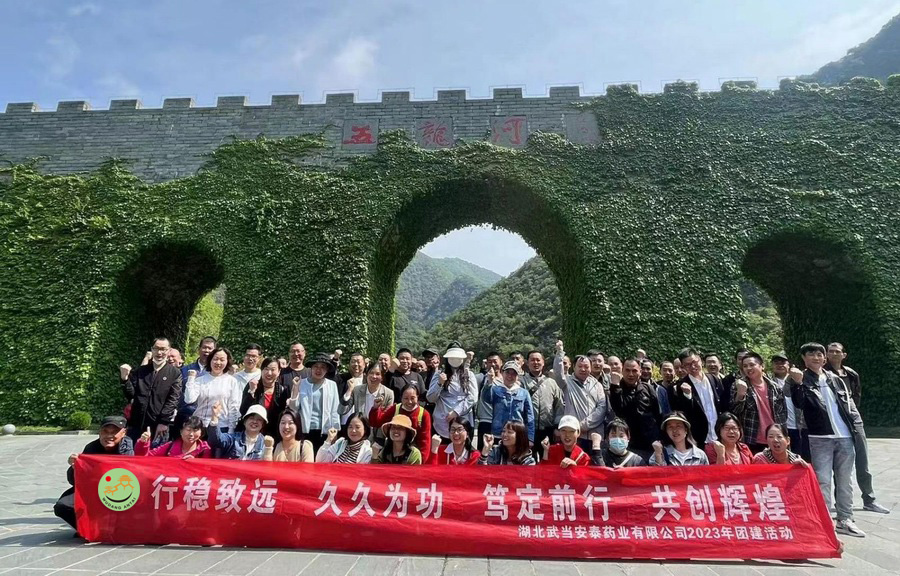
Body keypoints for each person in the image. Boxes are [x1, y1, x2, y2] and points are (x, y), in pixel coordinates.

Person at [791, 342, 865, 537]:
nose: (816, 357)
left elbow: (849, 405)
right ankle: (824, 521)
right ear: (804, 358)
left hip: (844, 435)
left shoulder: (835, 379)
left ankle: (845, 519)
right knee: (823, 480)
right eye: (811, 354)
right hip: (819, 437)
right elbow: (799, 404)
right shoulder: (800, 379)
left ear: (824, 358)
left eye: (819, 354)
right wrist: (798, 384)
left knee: (845, 480)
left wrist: (856, 429)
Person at [825, 342, 889, 514]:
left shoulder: (851, 374)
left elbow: (855, 397)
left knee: (863, 461)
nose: (834, 354)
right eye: (831, 351)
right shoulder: (823, 374)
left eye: (837, 351)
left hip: (853, 420)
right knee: (839, 465)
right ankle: (840, 504)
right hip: (833, 422)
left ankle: (869, 498)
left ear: (844, 355)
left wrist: (852, 414)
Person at [55, 416, 134, 531]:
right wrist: (74, 467)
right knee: (62, 506)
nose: (109, 436)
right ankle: (91, 530)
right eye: (105, 431)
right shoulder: (91, 448)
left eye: (114, 432)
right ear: (99, 432)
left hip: (122, 490)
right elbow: (74, 481)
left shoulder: (130, 447)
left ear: (124, 433)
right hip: (94, 488)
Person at [121, 337, 183, 442]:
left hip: (158, 426)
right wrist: (124, 379)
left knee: (155, 452)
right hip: (136, 424)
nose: (159, 352)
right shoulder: (141, 371)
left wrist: (163, 422)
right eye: (156, 348)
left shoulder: (174, 373)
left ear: (168, 351)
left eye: (163, 349)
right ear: (152, 349)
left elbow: (173, 399)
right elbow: (131, 395)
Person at [553, 340, 611, 452]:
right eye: (580, 366)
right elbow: (558, 373)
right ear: (574, 367)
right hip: (574, 435)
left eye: (586, 366)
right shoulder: (566, 383)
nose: (583, 369)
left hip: (595, 436)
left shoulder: (597, 385)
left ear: (590, 368)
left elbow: (601, 408)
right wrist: (559, 353)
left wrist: (583, 425)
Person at [730, 352, 786, 453]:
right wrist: (741, 394)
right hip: (752, 439)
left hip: (775, 439)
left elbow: (783, 414)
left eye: (752, 365)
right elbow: (735, 412)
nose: (748, 368)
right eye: (745, 366)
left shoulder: (775, 387)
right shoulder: (738, 385)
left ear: (762, 366)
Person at [670, 348, 726, 449]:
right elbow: (684, 414)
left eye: (694, 362)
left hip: (720, 435)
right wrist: (688, 396)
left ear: (700, 360)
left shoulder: (713, 379)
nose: (692, 366)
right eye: (687, 365)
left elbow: (723, 404)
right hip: (700, 438)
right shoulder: (681, 386)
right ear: (683, 367)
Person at [287, 352, 341, 452]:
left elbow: (335, 410)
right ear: (311, 368)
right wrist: (295, 388)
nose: (318, 370)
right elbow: (294, 408)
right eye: (316, 366)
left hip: (325, 431)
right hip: (304, 430)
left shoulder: (332, 385)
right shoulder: (301, 383)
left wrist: (335, 430)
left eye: (323, 367)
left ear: (327, 370)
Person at [607, 358, 661, 458]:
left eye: (634, 371)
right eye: (627, 370)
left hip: (649, 442)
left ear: (640, 371)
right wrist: (615, 386)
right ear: (622, 370)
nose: (631, 374)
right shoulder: (616, 389)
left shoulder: (648, 388)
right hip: (628, 443)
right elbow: (618, 410)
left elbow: (657, 414)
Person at [427, 342, 477, 445]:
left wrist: (456, 411)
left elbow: (473, 397)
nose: (455, 360)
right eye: (452, 357)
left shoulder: (469, 375)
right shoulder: (439, 374)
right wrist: (439, 384)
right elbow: (430, 398)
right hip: (442, 422)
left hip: (463, 422)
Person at [183, 346, 242, 433]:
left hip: (221, 427)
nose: (218, 362)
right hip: (200, 426)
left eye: (222, 360)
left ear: (227, 362)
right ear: (210, 360)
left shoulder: (232, 381)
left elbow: (234, 407)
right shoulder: (200, 380)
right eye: (215, 359)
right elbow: (189, 399)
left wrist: (231, 430)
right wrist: (191, 379)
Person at [369, 383, 432, 460]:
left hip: (413, 455)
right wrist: (376, 407)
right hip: (393, 452)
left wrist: (421, 461)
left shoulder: (424, 414)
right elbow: (376, 422)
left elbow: (425, 441)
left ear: (417, 397)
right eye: (406, 398)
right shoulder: (395, 409)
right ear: (401, 398)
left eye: (412, 398)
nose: (409, 402)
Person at [521, 350, 564, 461]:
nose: (535, 363)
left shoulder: (551, 383)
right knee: (526, 461)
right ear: (527, 362)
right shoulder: (521, 382)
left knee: (548, 460)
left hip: (547, 430)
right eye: (532, 360)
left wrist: (557, 427)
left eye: (538, 360)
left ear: (543, 362)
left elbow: (559, 406)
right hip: (527, 430)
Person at [172, 336, 217, 434]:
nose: (206, 351)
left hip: (206, 419)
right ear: (199, 349)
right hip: (185, 415)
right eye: (204, 347)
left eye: (210, 348)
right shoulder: (185, 370)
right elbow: (177, 392)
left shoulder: (216, 373)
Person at [483, 360, 535, 443]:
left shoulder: (524, 393)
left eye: (514, 373)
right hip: (498, 433)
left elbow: (529, 416)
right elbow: (486, 398)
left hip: (517, 434)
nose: (510, 376)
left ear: (518, 376)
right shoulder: (495, 390)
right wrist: (489, 382)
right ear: (502, 373)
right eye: (507, 372)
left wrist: (530, 438)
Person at [771, 352, 810, 461]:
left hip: (799, 426)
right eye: (776, 362)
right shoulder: (768, 382)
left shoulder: (799, 379)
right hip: (779, 427)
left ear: (789, 365)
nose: (780, 365)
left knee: (801, 458)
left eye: (783, 362)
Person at [237, 357, 289, 438]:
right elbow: (243, 410)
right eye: (266, 369)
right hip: (252, 433)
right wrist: (252, 392)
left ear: (279, 372)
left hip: (273, 435)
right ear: (261, 370)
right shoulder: (252, 385)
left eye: (273, 370)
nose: (269, 373)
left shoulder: (281, 390)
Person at [343, 361, 394, 442]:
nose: (374, 376)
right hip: (359, 433)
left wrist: (379, 441)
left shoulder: (388, 393)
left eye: (377, 374)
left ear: (382, 377)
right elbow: (342, 411)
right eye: (371, 373)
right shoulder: (357, 390)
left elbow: (386, 420)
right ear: (366, 374)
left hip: (377, 436)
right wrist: (349, 391)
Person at [135, 415, 211, 458]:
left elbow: (209, 470)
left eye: (195, 430)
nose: (191, 434)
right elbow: (145, 458)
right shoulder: (170, 447)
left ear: (201, 432)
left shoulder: (205, 450)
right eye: (188, 430)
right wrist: (143, 443)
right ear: (181, 431)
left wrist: (194, 463)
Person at [475, 352, 503, 448]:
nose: (493, 364)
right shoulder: (481, 378)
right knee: (484, 451)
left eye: (495, 361)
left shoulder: (506, 380)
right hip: (485, 421)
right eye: (490, 362)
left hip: (501, 422)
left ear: (501, 363)